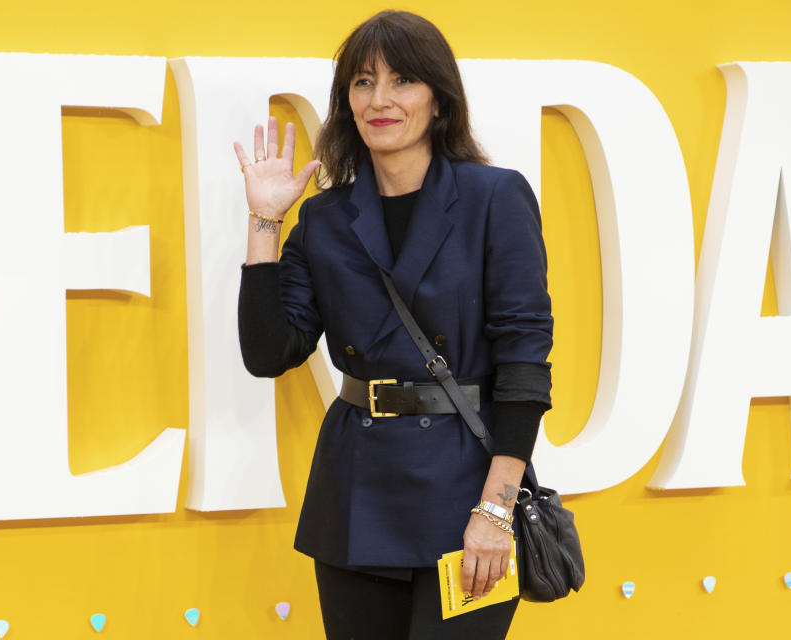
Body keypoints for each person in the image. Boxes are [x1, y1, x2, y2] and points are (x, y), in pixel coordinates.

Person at [234, 10, 552, 640]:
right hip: (357, 490)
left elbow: (524, 362)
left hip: (468, 486)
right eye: (361, 82)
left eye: (402, 80)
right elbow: (269, 352)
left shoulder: (494, 197)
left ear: (439, 100)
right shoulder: (324, 219)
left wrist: (496, 508)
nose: (379, 100)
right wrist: (265, 222)